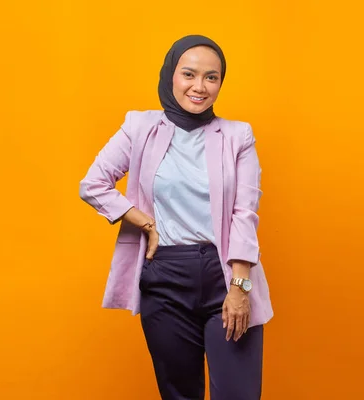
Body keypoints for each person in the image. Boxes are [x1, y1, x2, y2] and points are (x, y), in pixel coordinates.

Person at [79, 35, 273, 400]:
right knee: (179, 394)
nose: (199, 87)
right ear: (171, 75)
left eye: (211, 77)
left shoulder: (237, 136)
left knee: (238, 394)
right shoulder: (139, 127)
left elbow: (244, 212)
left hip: (226, 274)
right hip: (165, 275)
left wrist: (240, 286)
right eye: (189, 74)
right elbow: (93, 184)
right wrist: (144, 221)